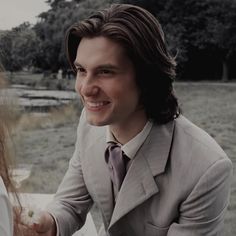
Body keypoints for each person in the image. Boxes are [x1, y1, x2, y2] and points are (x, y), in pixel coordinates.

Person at [34, 4, 233, 236]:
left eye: (105, 72)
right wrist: (47, 223)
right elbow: (69, 204)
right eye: (81, 70)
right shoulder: (89, 126)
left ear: (147, 77)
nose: (85, 89)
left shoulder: (206, 169)